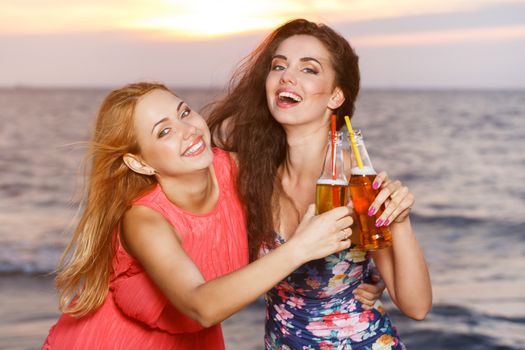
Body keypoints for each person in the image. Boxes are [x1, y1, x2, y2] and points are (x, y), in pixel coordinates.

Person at [42, 82, 358, 349]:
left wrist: (365, 275)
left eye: (184, 112)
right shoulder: (143, 220)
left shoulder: (238, 170)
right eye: (164, 132)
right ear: (139, 163)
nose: (188, 130)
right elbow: (201, 306)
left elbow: (311, 172)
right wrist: (301, 248)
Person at [208, 18, 432, 349]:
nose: (287, 76)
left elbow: (417, 306)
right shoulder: (249, 172)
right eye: (278, 65)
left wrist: (399, 222)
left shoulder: (356, 185)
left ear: (336, 96)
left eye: (309, 69)